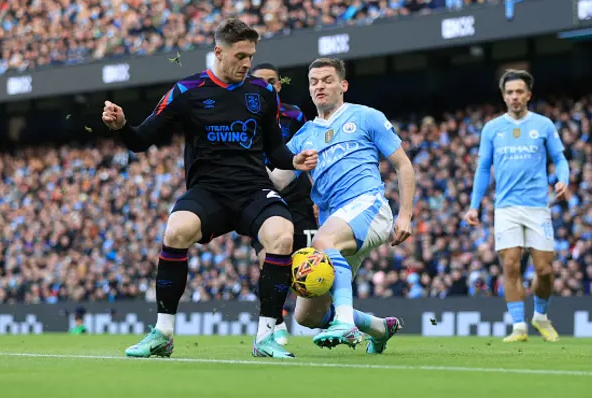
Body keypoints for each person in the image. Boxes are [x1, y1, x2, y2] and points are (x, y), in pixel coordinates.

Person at [102, 18, 317, 359]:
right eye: (240, 55)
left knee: (282, 235)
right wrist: (122, 125)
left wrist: (295, 161)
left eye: (251, 55)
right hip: (209, 191)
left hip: (253, 189)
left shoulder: (262, 94)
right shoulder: (187, 91)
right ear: (219, 52)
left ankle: (266, 337)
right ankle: (163, 333)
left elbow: (276, 151)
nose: (247, 63)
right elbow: (142, 140)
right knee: (176, 231)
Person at [267, 58, 415, 354]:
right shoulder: (305, 136)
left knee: (323, 240)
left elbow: (403, 165)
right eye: (314, 82)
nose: (320, 86)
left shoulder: (366, 117)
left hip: (369, 206)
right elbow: (278, 181)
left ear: (343, 85)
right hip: (335, 222)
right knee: (307, 316)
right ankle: (378, 327)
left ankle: (345, 324)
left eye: (327, 80)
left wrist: (406, 215)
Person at [464, 69, 570, 343]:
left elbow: (559, 158)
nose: (514, 96)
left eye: (519, 91)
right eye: (510, 92)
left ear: (528, 95)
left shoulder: (544, 125)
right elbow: (483, 168)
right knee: (511, 265)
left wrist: (563, 179)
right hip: (506, 208)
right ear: (504, 96)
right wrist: (474, 205)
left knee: (545, 270)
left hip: (537, 206)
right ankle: (519, 327)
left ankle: (541, 317)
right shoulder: (492, 128)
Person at [249, 62, 318, 347]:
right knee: (268, 259)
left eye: (272, 81)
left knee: (307, 265)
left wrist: (318, 197)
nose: (267, 86)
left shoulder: (295, 114)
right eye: (260, 81)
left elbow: (309, 153)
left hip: (299, 197)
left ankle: (330, 318)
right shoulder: (243, 117)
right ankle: (274, 320)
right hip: (264, 195)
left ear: (279, 85)